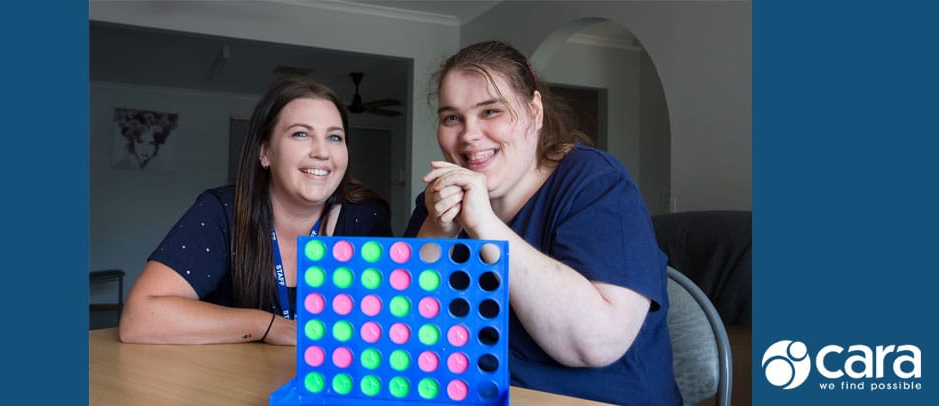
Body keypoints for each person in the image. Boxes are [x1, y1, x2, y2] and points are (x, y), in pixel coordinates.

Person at [404, 41, 681, 405]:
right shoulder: (439, 200)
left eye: (491, 111)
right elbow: (396, 331)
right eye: (451, 118)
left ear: (534, 111)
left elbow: (596, 343)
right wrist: (437, 231)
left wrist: (485, 225)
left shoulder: (597, 184)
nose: (469, 135)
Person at [120, 77, 393, 345]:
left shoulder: (366, 218)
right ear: (265, 153)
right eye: (301, 134)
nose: (322, 152)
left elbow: (392, 328)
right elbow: (139, 319)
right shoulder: (222, 211)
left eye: (334, 137)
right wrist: (266, 325)